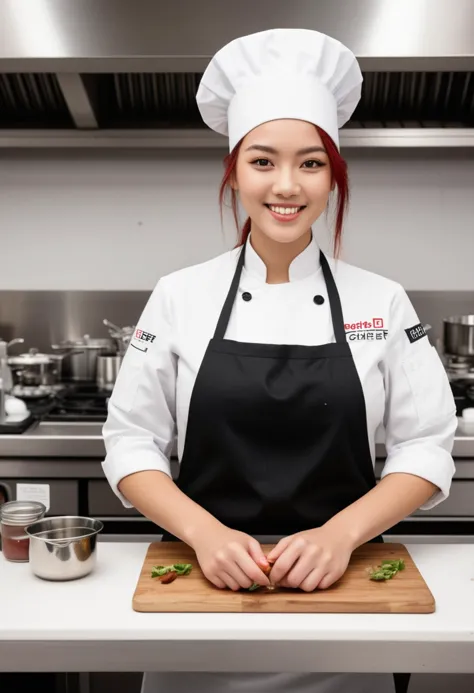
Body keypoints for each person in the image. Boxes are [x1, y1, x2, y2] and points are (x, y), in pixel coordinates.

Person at [102, 28, 457, 693]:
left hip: (347, 607)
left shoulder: (381, 299)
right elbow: (130, 441)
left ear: (333, 174)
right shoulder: (179, 294)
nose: (286, 185)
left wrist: (342, 535)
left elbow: (426, 446)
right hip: (200, 609)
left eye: (312, 163)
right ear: (234, 171)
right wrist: (205, 535)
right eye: (262, 161)